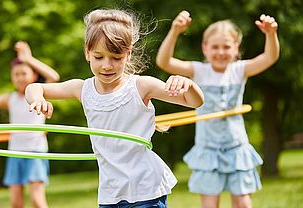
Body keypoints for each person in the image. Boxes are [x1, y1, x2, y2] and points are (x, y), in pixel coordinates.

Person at [25, 9, 204, 208]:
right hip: (111, 191)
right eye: (99, 57)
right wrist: (38, 99)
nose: (107, 65)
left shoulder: (141, 86)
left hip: (145, 187)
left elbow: (194, 102)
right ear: (87, 52)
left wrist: (188, 85)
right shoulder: (82, 89)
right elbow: (33, 87)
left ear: (128, 55)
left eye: (116, 57)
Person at [156, 10, 279, 208]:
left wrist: (271, 34)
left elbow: (270, 57)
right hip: (208, 149)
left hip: (236, 147)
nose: (220, 52)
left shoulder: (240, 70)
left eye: (226, 47)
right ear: (204, 48)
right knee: (210, 204)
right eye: (215, 47)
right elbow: (164, 62)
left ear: (236, 48)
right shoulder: (198, 71)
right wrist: (175, 31)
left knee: (243, 203)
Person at [0, 41, 60, 208]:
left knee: (38, 202)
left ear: (33, 76)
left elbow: (54, 77)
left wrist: (29, 58)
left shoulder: (40, 93)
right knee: (15, 203)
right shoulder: (9, 98)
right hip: (15, 152)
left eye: (23, 73)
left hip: (35, 152)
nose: (19, 78)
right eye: (15, 74)